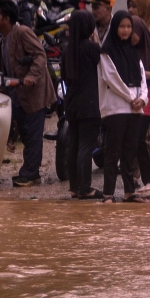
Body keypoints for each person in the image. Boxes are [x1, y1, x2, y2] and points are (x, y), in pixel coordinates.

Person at [0, 0, 52, 187]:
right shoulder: (3, 40)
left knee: (33, 134)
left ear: (6, 19)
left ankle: (31, 174)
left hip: (34, 93)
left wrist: (32, 76)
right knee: (24, 132)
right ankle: (29, 171)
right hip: (17, 93)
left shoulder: (23, 32)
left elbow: (40, 55)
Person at [98, 11, 149, 203]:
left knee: (130, 150)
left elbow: (142, 79)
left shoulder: (133, 52)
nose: (126, 30)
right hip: (116, 107)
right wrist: (131, 98)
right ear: (115, 28)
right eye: (122, 26)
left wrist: (143, 98)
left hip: (134, 108)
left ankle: (129, 192)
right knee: (113, 150)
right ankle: (108, 194)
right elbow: (111, 78)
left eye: (129, 27)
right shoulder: (106, 51)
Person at [61, 10, 104, 199]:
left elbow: (64, 77)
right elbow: (105, 68)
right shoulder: (92, 48)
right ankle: (86, 188)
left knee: (75, 144)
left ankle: (74, 187)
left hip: (71, 102)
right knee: (86, 146)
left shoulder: (66, 49)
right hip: (90, 102)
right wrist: (97, 42)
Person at [129, 14, 150, 197]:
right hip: (133, 103)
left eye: (133, 31)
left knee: (145, 140)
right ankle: (140, 180)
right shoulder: (127, 50)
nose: (130, 35)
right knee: (135, 142)